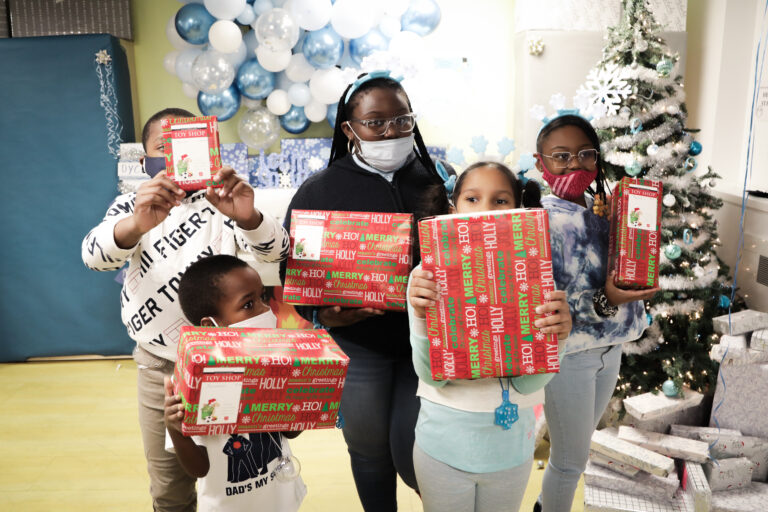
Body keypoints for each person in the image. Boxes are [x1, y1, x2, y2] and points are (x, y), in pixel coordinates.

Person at [81, 108, 290, 512]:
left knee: (244, 470)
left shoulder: (224, 200)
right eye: (164, 146)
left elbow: (278, 252)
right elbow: (94, 256)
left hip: (233, 359)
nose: (177, 154)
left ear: (209, 148)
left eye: (188, 142)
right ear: (145, 159)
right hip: (160, 366)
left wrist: (249, 218)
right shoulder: (132, 205)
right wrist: (136, 224)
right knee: (170, 486)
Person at [280, 70, 449, 511]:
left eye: (402, 120)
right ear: (349, 129)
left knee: (417, 451)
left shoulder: (439, 180)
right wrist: (322, 314)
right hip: (359, 346)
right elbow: (294, 271)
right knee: (368, 450)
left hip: (427, 344)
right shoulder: (319, 191)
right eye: (376, 123)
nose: (391, 132)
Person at [407, 162, 572, 512]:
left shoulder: (535, 273)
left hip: (510, 453)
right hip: (441, 449)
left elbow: (530, 384)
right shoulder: (425, 277)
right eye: (472, 198)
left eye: (500, 200)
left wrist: (558, 338)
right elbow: (432, 375)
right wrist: (422, 318)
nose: (484, 210)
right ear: (453, 208)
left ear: (518, 208)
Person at [532, 115, 660, 512]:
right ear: (540, 163)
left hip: (611, 348)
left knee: (578, 446)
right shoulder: (539, 221)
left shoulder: (602, 206)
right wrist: (607, 300)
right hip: (571, 356)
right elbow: (546, 305)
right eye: (561, 156)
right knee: (570, 461)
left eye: (585, 154)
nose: (574, 164)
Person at [164, 254, 306, 512]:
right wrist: (175, 429)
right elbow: (199, 468)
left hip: (282, 501)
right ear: (211, 325)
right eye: (248, 305)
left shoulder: (274, 361)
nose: (265, 310)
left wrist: (299, 395)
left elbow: (289, 432)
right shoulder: (192, 379)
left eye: (263, 297)